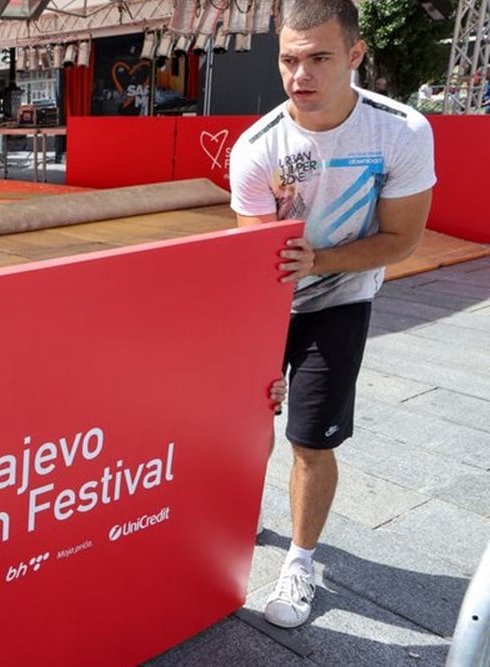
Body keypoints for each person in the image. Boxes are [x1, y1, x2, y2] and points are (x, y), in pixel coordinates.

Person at [229, 0, 435, 629]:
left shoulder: (401, 131)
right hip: (270, 302)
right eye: (289, 60)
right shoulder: (257, 147)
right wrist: (256, 344)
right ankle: (236, 519)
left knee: (311, 439)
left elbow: (402, 240)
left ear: (355, 54)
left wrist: (319, 261)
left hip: (342, 297)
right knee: (246, 424)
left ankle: (299, 561)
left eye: (319, 58)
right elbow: (256, 258)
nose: (301, 75)